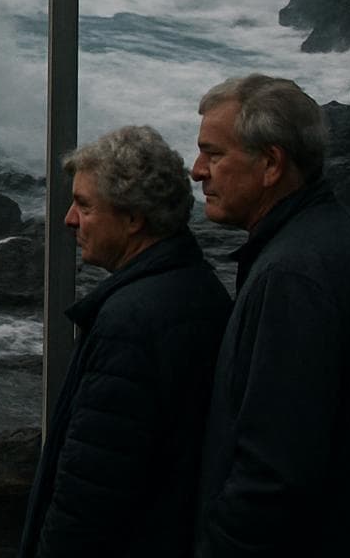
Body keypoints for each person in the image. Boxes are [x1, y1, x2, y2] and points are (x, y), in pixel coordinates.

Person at [192, 74, 350, 556]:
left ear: (271, 164)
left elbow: (273, 472)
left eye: (214, 154)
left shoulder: (293, 275)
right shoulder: (336, 240)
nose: (197, 170)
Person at [17, 125, 230, 557]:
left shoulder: (130, 323)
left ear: (134, 218)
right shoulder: (202, 288)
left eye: (84, 205)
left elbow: (90, 488)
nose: (69, 219)